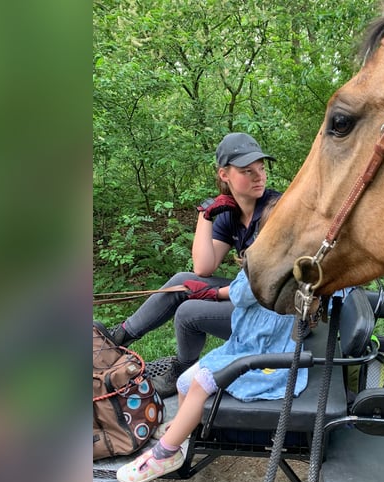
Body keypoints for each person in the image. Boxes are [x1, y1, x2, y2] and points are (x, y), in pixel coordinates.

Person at [104, 133, 281, 396]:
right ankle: (117, 338)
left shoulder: (275, 210)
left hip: (274, 312)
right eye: (247, 170)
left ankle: (183, 369)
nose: (259, 176)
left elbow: (272, 284)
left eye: (261, 168)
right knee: (182, 280)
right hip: (251, 296)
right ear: (224, 175)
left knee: (188, 312)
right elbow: (203, 268)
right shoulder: (229, 212)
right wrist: (205, 215)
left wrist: (216, 293)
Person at [116, 249, 308, 482]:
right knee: (184, 382)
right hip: (246, 344)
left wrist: (236, 279)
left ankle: (165, 453)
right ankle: (184, 430)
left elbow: (241, 295)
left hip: (267, 354)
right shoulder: (290, 266)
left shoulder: (271, 268)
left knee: (202, 381)